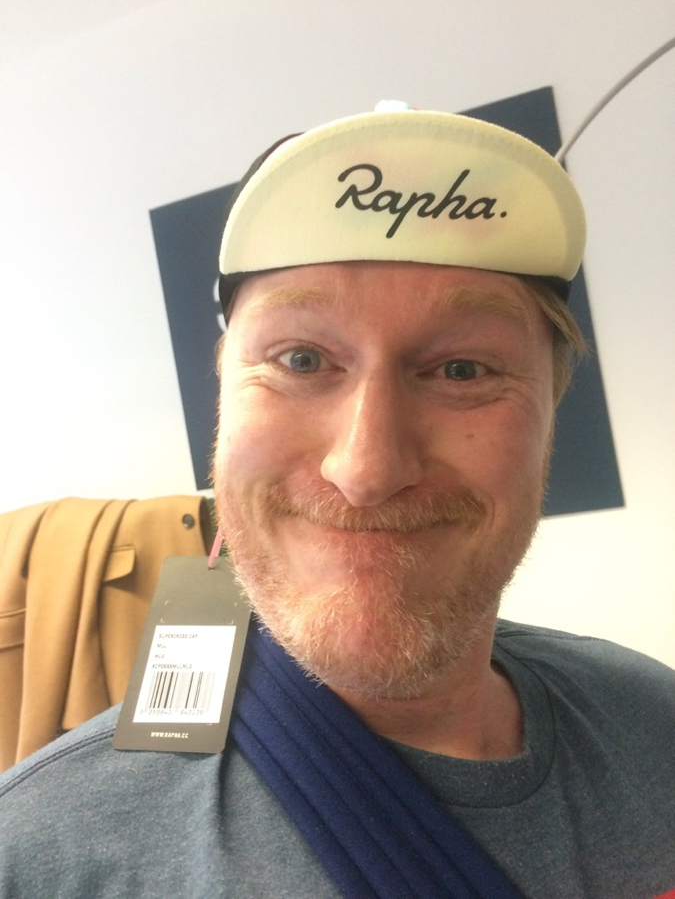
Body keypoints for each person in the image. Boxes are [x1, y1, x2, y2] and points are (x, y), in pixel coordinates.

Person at [1, 104, 674, 899]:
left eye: (462, 370)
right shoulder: (39, 857)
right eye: (300, 358)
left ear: (550, 414)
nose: (366, 470)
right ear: (222, 398)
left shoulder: (652, 724)